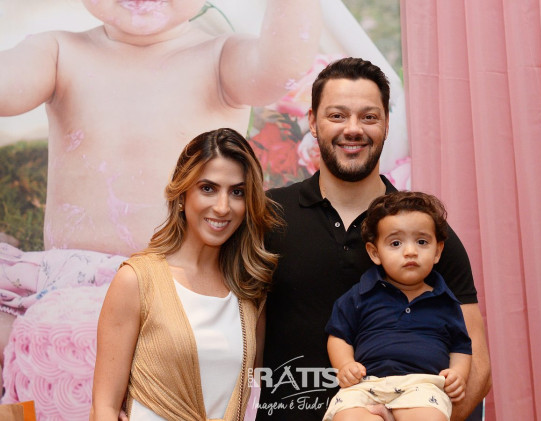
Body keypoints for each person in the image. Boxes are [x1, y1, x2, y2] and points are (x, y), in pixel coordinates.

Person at [0, 0, 321, 394]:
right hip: (69, 280)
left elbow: (281, 68)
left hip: (180, 284)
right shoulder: (58, 53)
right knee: (32, 334)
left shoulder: (220, 58)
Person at [256, 57, 491, 421]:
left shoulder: (423, 234)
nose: (353, 129)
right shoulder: (267, 216)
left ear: (386, 124)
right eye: (337, 115)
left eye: (368, 117)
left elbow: (478, 368)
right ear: (312, 123)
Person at [90, 128, 280, 420]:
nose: (222, 207)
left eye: (237, 192)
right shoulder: (138, 280)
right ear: (182, 195)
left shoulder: (249, 293)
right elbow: (103, 407)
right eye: (208, 188)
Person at [323, 191, 472, 421]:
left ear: (437, 251)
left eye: (422, 242)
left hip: (422, 386)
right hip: (365, 384)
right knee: (347, 417)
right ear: (375, 253)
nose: (410, 251)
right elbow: (338, 336)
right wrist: (345, 365)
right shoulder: (359, 295)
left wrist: (458, 374)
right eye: (395, 243)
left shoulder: (446, 301)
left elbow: (461, 347)